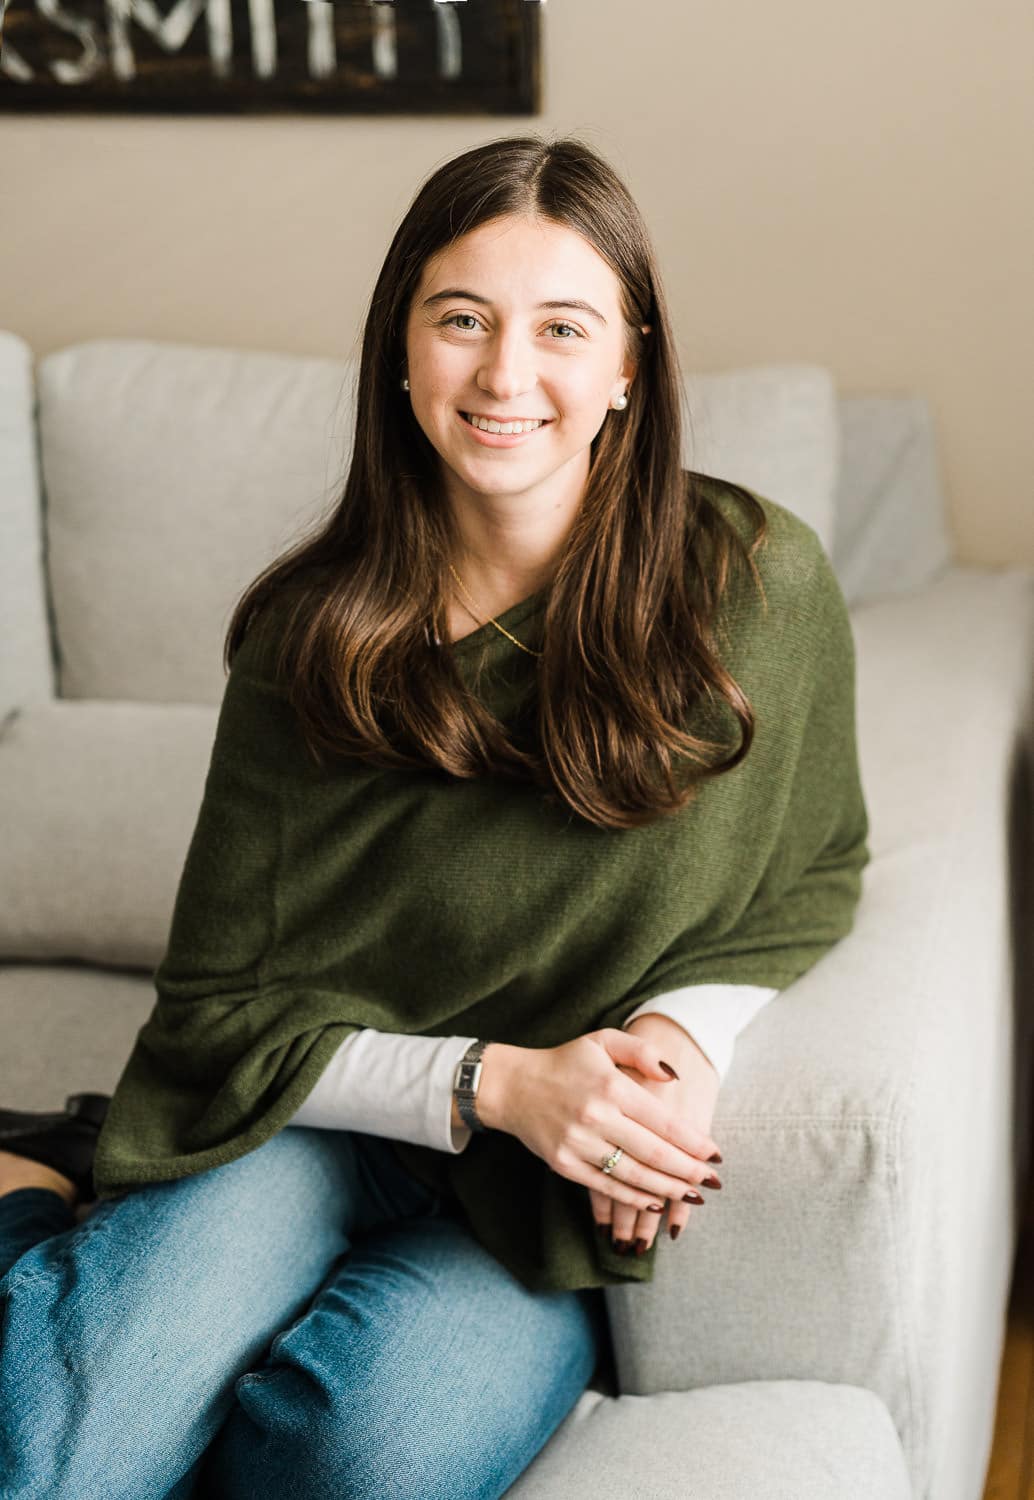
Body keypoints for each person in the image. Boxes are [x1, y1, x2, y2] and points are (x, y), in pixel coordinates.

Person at [0, 132, 869, 1499]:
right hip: (294, 1121)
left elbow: (812, 867)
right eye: (459, 320)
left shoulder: (749, 583)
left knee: (357, 1455)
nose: (504, 374)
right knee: (54, 1452)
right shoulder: (309, 632)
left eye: (561, 328)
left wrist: (669, 1044)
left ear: (628, 364)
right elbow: (216, 1008)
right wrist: (492, 1082)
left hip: (521, 1200)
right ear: (399, 353)